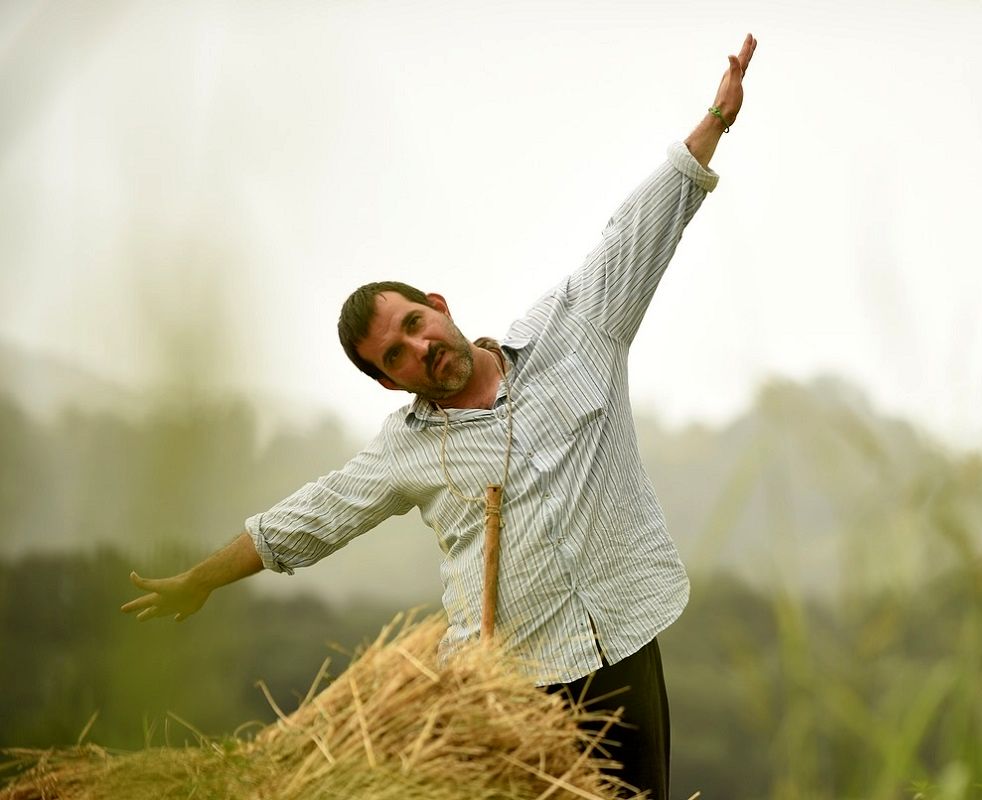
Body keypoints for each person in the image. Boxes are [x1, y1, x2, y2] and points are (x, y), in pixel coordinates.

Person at [122, 32, 757, 798]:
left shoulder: (573, 332)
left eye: (414, 327)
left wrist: (714, 121)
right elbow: (307, 520)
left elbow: (636, 232)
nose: (417, 350)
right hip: (511, 685)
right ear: (390, 382)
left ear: (439, 306)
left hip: (621, 644)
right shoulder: (406, 451)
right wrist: (200, 578)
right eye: (394, 356)